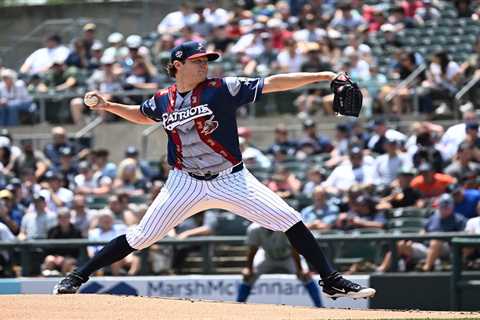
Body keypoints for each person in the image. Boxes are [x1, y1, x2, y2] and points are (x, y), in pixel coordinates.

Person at [54, 40, 375, 300]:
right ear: (178, 65)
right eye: (198, 60)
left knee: (290, 219)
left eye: (206, 59)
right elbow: (142, 114)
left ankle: (330, 280)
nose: (205, 64)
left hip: (231, 179)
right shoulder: (163, 100)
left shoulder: (221, 88)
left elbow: (272, 84)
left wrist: (322, 76)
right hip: (184, 182)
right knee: (140, 236)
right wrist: (108, 106)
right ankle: (77, 275)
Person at [236, 223, 322, 307]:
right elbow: (252, 250)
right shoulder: (254, 228)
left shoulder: (285, 226)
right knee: (249, 276)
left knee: (305, 276)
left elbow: (294, 249)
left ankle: (319, 306)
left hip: (289, 257)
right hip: (267, 256)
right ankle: (238, 305)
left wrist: (300, 269)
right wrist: (249, 268)